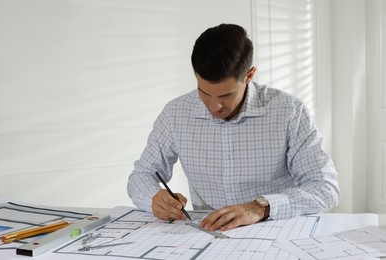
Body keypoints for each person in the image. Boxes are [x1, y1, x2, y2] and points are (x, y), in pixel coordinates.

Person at [127, 23, 340, 232]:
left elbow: (324, 187)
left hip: (275, 231)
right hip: (206, 236)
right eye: (204, 92)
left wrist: (260, 207)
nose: (214, 106)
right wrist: (153, 198)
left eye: (226, 95)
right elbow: (142, 175)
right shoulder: (176, 113)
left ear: (249, 75)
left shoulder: (288, 111)